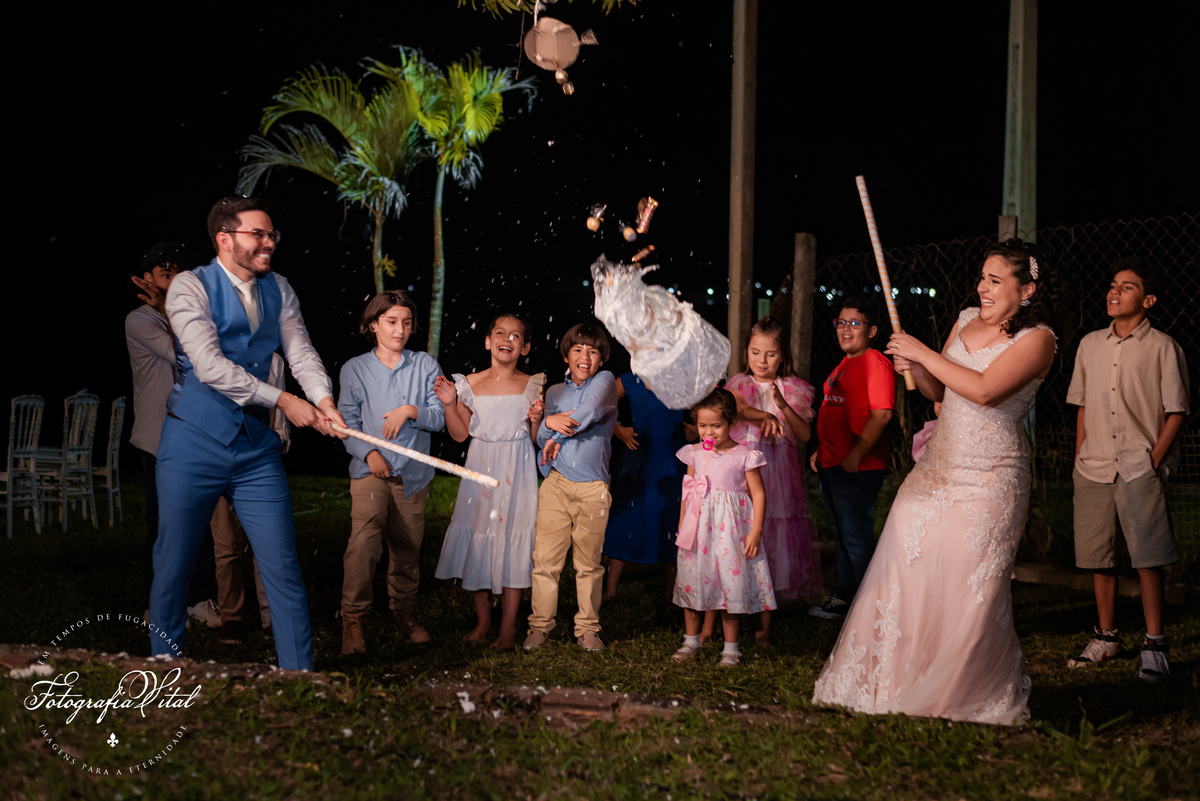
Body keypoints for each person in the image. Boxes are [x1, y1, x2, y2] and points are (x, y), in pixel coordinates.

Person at [812, 239, 1056, 725]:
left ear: (1026, 290)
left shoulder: (1040, 339)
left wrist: (923, 350)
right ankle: (894, 680)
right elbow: (939, 389)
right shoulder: (965, 318)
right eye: (981, 278)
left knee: (969, 586)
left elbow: (985, 391)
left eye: (994, 280)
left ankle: (955, 691)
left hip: (990, 477)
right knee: (907, 567)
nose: (981, 288)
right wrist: (917, 367)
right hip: (938, 469)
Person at [151, 196, 346, 672]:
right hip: (192, 441)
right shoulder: (188, 287)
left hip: (256, 451)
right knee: (173, 565)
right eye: (258, 234)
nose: (269, 243)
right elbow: (210, 365)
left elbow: (300, 352)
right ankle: (162, 670)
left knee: (282, 565)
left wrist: (323, 402)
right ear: (225, 238)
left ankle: (298, 677)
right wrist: (284, 401)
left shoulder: (279, 287)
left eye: (272, 235)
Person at [1065, 258, 1187, 683]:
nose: (1114, 292)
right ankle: (1107, 635)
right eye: (1112, 284)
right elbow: (1081, 404)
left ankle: (1155, 642)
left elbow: (1176, 411)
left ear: (1148, 300)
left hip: (1139, 466)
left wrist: (1153, 458)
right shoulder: (1089, 344)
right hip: (1094, 464)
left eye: (1128, 287)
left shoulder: (1164, 347)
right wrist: (1081, 452)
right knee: (1101, 555)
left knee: (1147, 557)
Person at [337, 290, 445, 654]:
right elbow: (347, 423)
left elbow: (441, 417)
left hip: (414, 473)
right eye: (391, 322)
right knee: (365, 542)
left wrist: (411, 410)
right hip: (370, 471)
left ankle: (404, 613)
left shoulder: (426, 365)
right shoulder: (355, 368)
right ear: (373, 325)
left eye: (406, 323)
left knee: (407, 547)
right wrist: (369, 453)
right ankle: (353, 619)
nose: (400, 330)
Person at [433, 314, 545, 649]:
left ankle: (508, 628)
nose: (506, 340)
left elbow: (537, 439)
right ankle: (483, 622)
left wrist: (538, 421)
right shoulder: (470, 383)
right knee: (478, 534)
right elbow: (459, 434)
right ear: (487, 341)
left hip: (518, 467)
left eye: (515, 336)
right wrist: (451, 404)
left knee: (513, 538)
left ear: (524, 347)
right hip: (481, 466)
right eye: (500, 333)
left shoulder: (533, 384)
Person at [127, 242, 221, 629]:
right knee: (163, 524)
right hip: (158, 436)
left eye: (178, 273)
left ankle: (200, 597)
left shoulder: (192, 314)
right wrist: (170, 307)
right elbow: (184, 355)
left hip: (195, 433)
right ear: (148, 279)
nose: (176, 280)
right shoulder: (140, 319)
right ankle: (159, 603)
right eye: (166, 273)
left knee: (200, 519)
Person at [727, 317, 822, 646]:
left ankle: (764, 625)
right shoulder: (738, 384)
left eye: (769, 354)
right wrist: (764, 415)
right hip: (744, 473)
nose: (761, 360)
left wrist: (780, 405)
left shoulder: (793, 388)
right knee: (743, 532)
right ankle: (736, 610)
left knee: (773, 540)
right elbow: (733, 411)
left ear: (782, 356)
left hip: (778, 475)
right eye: (755, 352)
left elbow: (805, 434)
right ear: (746, 352)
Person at [524, 323, 619, 652]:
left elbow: (588, 413)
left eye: (593, 351)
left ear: (601, 360)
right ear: (566, 355)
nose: (585, 356)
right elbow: (540, 439)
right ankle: (539, 626)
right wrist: (543, 421)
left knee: (589, 564)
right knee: (545, 561)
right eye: (578, 349)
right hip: (556, 485)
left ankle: (587, 628)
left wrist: (556, 431)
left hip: (593, 487)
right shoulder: (553, 392)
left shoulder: (605, 383)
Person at [670, 387, 774, 668]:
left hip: (730, 531)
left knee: (731, 585)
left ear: (731, 423)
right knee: (693, 581)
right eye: (703, 425)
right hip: (698, 530)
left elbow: (759, 494)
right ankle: (690, 640)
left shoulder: (743, 455)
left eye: (716, 426)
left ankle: (731, 648)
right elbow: (688, 491)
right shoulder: (693, 453)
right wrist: (682, 524)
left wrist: (756, 530)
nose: (709, 432)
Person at [808, 300, 896, 620]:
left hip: (857, 467)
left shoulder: (873, 361)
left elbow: (882, 414)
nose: (845, 328)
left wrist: (856, 454)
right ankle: (845, 596)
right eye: (841, 322)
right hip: (833, 463)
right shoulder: (845, 364)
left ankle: (871, 607)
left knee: (856, 536)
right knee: (842, 533)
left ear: (872, 331)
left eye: (855, 323)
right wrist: (822, 449)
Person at [210, 352, 290, 644]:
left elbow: (279, 408)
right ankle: (232, 617)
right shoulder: (216, 353)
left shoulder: (275, 360)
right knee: (226, 543)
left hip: (260, 457)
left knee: (267, 544)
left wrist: (279, 439)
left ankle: (272, 619)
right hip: (222, 455)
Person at [602, 373, 692, 604]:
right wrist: (617, 428)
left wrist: (698, 430)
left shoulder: (684, 379)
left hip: (673, 459)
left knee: (673, 520)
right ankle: (610, 592)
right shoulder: (630, 380)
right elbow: (597, 401)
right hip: (638, 455)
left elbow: (716, 407)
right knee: (623, 518)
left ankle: (672, 594)